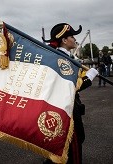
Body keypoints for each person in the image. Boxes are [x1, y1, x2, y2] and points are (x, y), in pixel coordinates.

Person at [42, 23, 98, 164]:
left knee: (65, 144)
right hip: (67, 109)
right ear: (64, 40)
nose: (75, 39)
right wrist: (89, 77)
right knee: (73, 144)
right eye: (72, 36)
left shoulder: (62, 56)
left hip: (68, 105)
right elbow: (70, 86)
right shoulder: (60, 58)